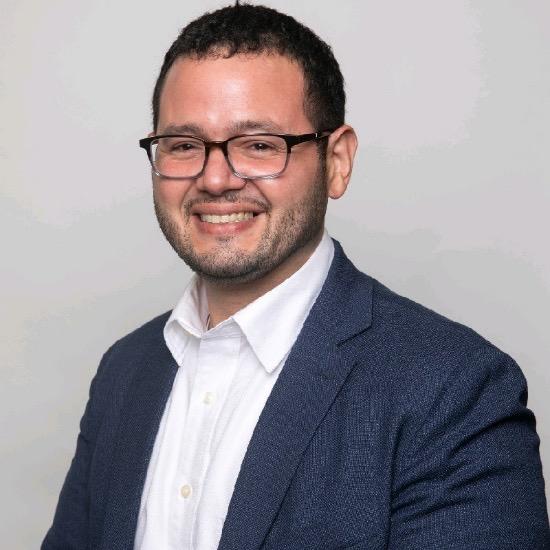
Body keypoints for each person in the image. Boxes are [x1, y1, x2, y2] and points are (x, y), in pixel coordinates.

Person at [42, 3, 549, 549]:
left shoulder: (455, 390)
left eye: (259, 145)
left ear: (337, 162)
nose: (215, 180)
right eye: (184, 146)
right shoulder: (124, 370)